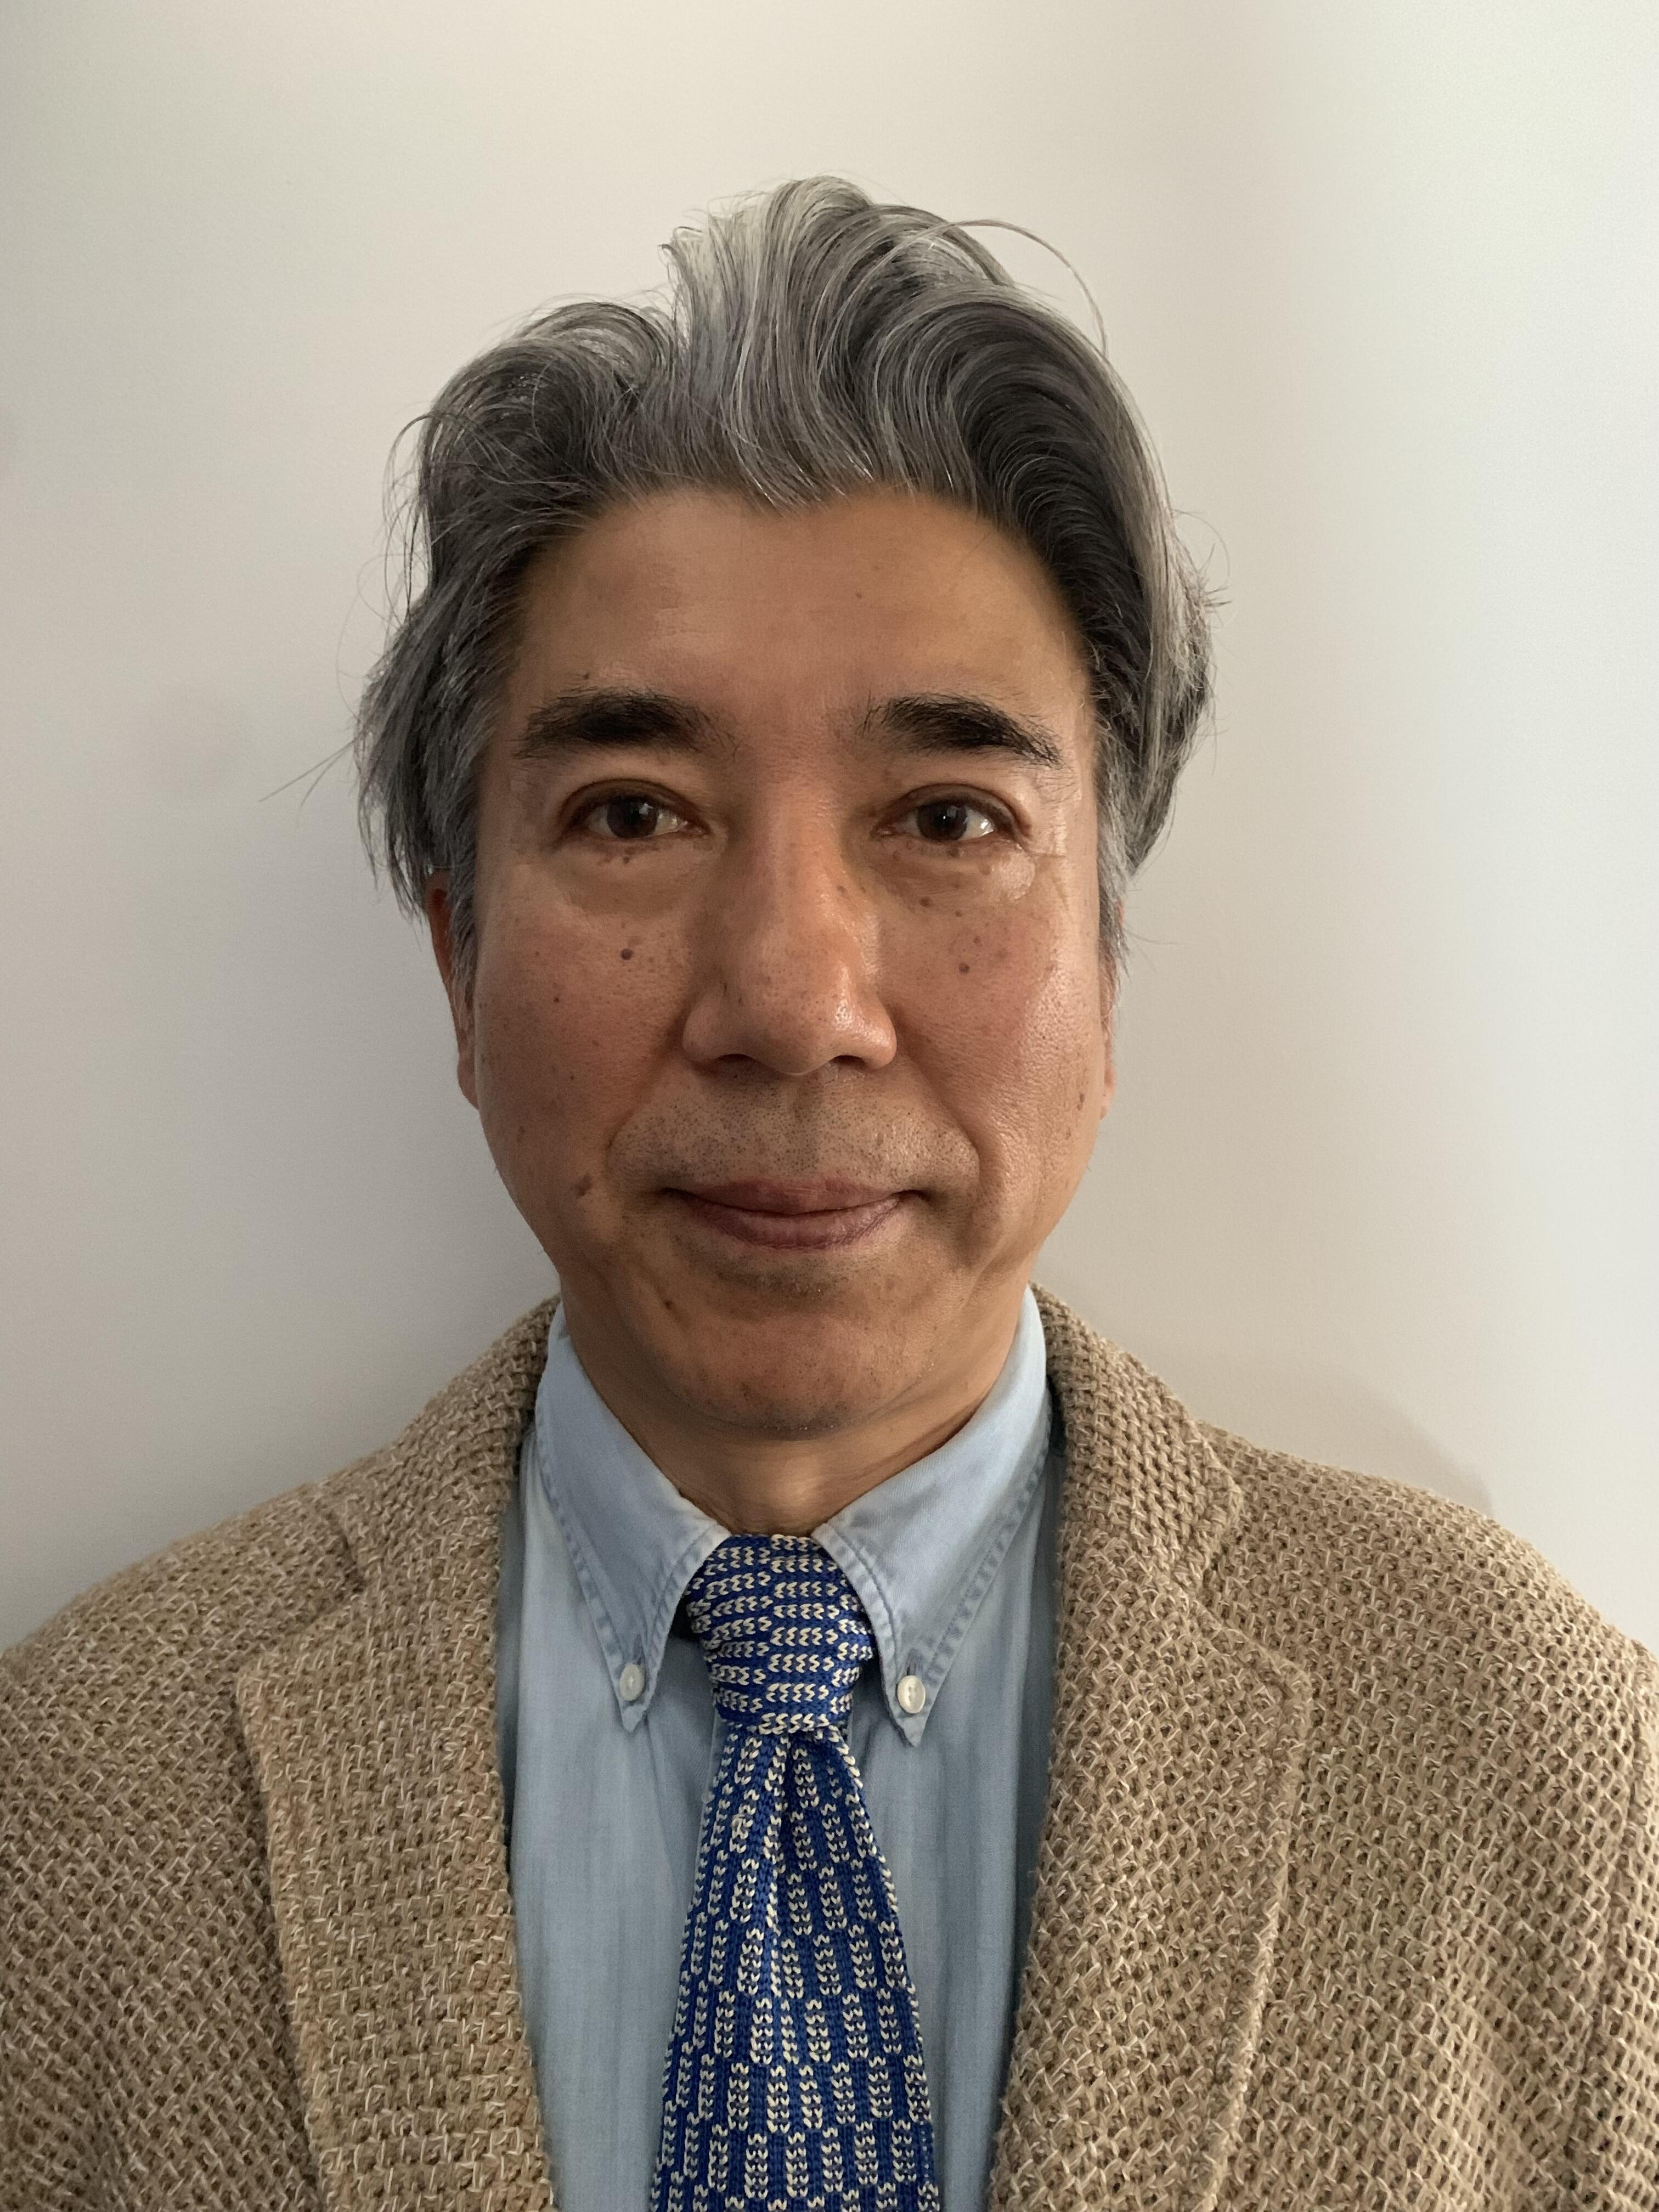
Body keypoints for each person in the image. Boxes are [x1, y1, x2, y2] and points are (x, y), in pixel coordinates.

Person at [3, 178, 1654, 2212]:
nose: (793, 1004)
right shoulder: (75, 1804)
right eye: (634, 812)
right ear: (456, 957)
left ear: (1108, 960)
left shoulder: (1553, 1780)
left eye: (950, 817)